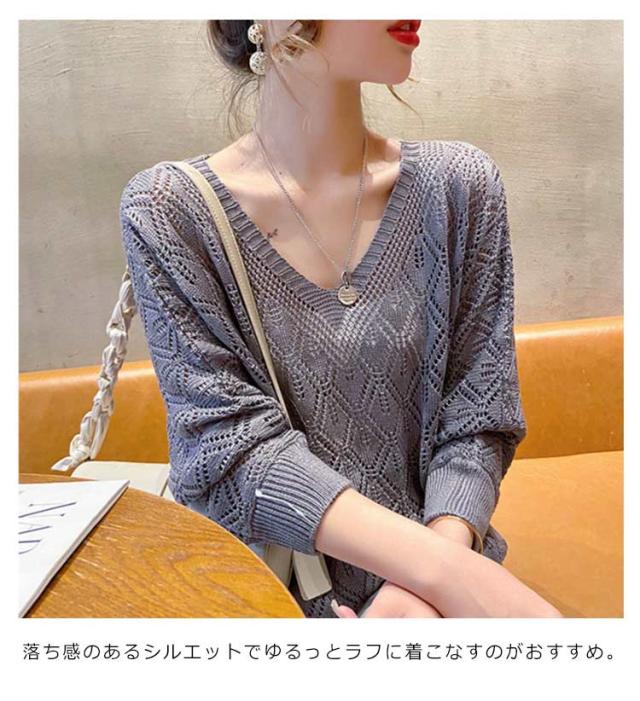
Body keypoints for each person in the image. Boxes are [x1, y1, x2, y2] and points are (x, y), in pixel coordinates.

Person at [119, 19, 562, 618]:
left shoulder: (459, 188)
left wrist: (421, 589)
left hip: (443, 599)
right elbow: (228, 449)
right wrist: (441, 572)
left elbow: (478, 417)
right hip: (270, 604)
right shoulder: (171, 211)